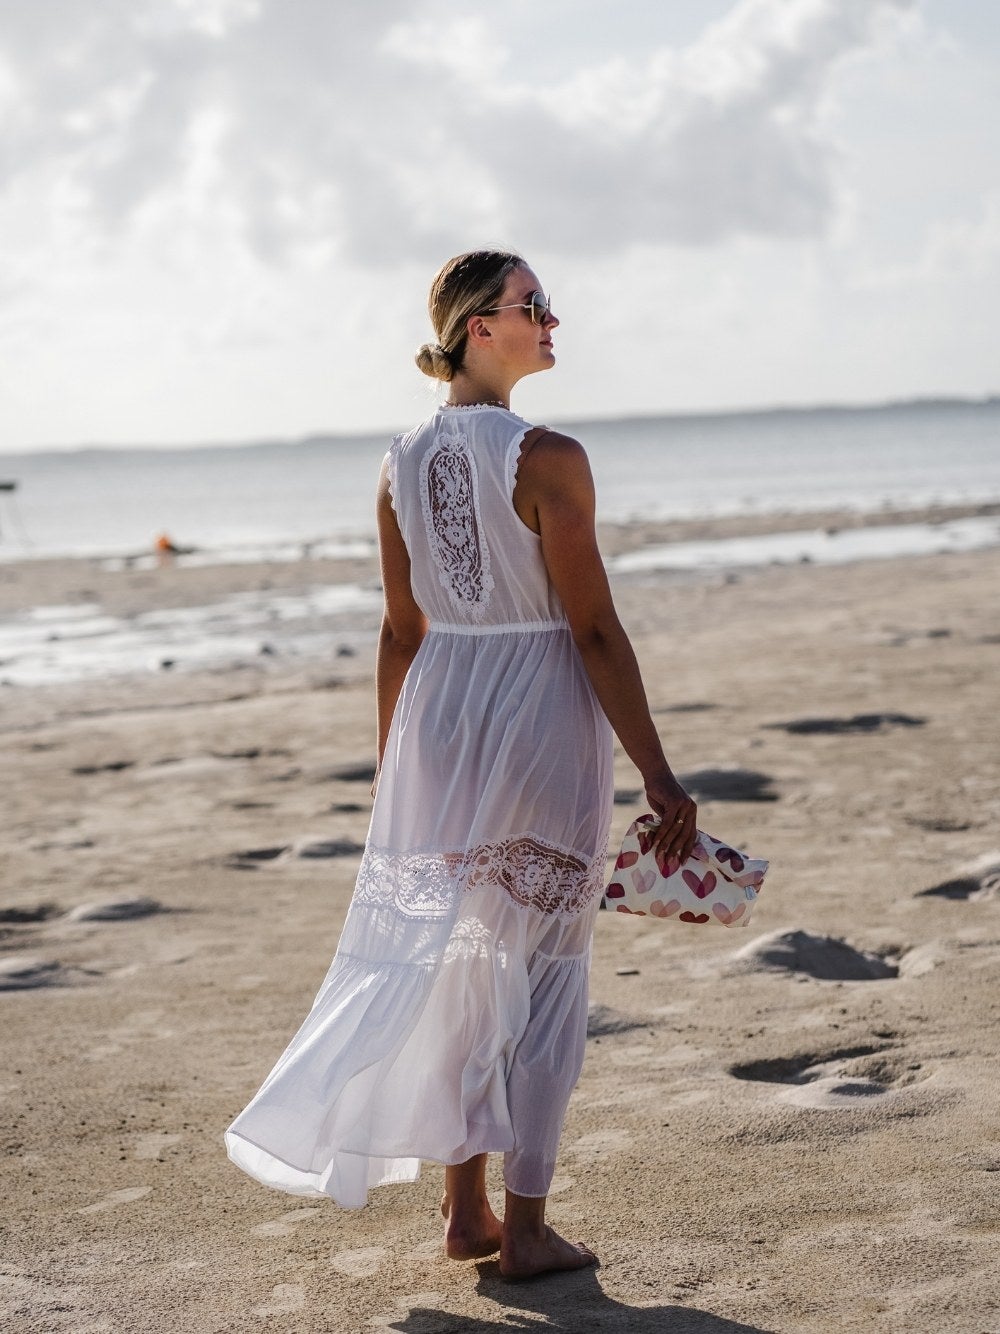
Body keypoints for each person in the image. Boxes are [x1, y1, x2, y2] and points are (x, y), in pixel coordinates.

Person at [225, 249, 696, 1280]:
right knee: (545, 964)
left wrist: (392, 764)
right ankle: (525, 1229)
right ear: (481, 326)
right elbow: (594, 629)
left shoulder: (396, 460)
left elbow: (401, 631)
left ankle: (464, 1211)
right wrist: (658, 774)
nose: (553, 319)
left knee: (459, 959)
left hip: (437, 716)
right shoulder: (550, 457)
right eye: (535, 304)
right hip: (537, 712)